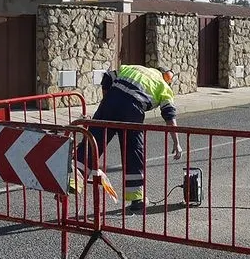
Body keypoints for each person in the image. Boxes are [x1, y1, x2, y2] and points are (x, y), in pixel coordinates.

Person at [72, 65, 183, 211]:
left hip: (110, 102)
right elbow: (169, 115)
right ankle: (136, 198)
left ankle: (72, 182)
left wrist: (107, 102)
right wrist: (177, 142)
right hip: (132, 110)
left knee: (93, 142)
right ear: (165, 77)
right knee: (133, 151)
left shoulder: (132, 68)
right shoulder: (164, 86)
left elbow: (107, 78)